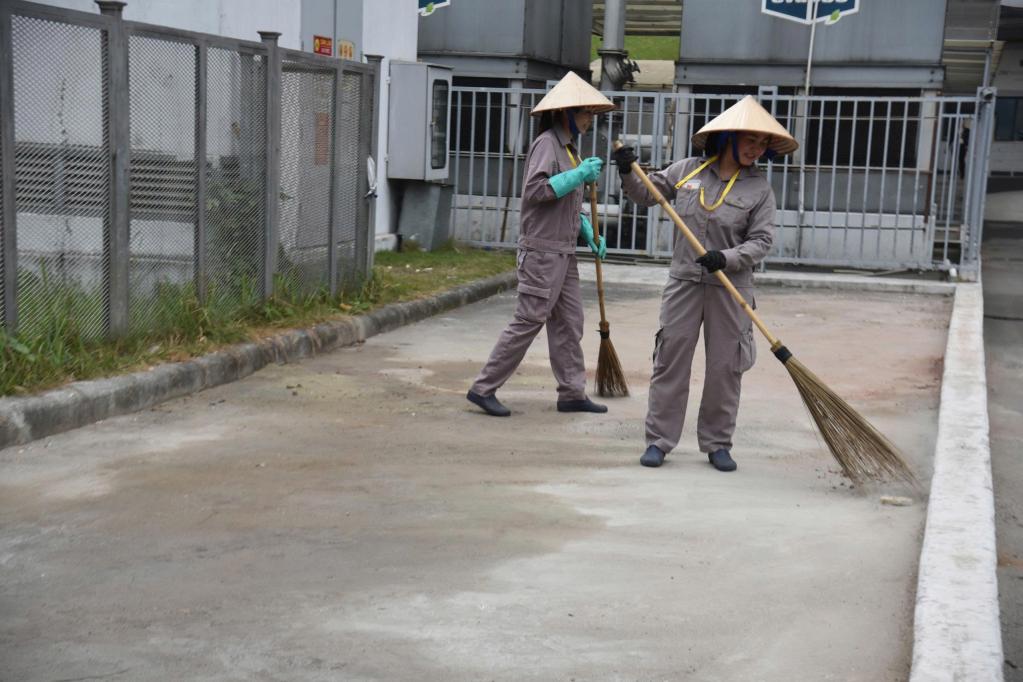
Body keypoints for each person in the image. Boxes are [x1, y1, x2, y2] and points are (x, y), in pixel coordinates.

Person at [611, 95, 797, 471]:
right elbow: (648, 194)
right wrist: (628, 171)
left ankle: (717, 443)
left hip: (730, 290)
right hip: (684, 283)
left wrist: (725, 259)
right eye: (750, 140)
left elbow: (761, 241)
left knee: (725, 367)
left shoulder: (759, 190)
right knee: (670, 360)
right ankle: (659, 441)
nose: (756, 150)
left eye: (762, 144)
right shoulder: (689, 172)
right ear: (728, 137)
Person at [467, 71, 614, 417]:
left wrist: (587, 231)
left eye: (592, 113)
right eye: (586, 113)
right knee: (529, 319)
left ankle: (572, 392)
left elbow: (567, 202)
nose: (590, 120)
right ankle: (483, 387)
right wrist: (577, 176)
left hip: (564, 251)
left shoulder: (570, 149)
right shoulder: (547, 144)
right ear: (567, 114)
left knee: (570, 322)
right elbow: (537, 191)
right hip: (541, 252)